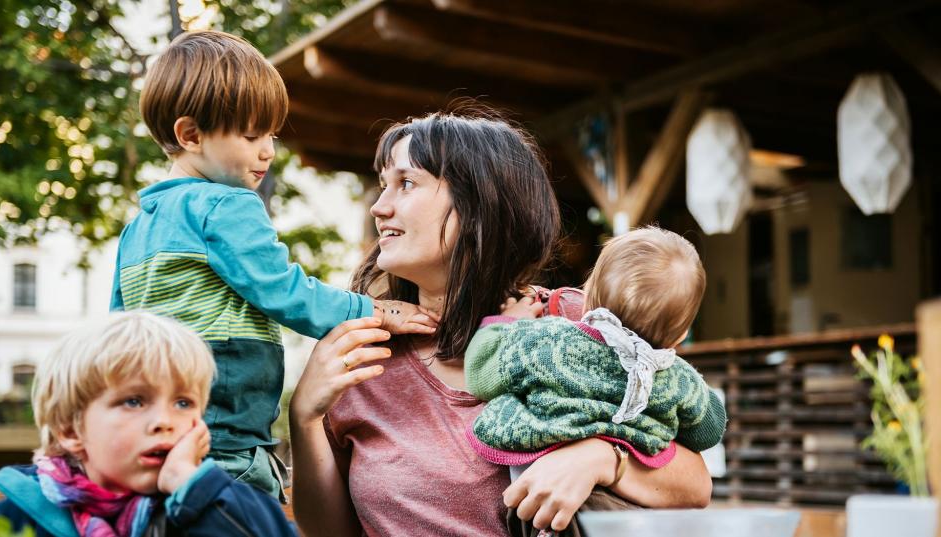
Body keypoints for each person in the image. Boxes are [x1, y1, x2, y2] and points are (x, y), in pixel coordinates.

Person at [289, 111, 714, 537]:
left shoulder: (580, 324)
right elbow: (330, 532)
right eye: (383, 185)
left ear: (479, 203)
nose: (380, 208)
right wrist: (305, 418)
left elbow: (695, 483)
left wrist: (602, 459)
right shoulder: (364, 353)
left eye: (406, 183)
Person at [111, 30, 436, 499]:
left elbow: (116, 332)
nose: (268, 150)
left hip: (157, 430)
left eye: (271, 134)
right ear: (191, 135)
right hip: (223, 436)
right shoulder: (227, 205)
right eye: (251, 135)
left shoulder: (139, 225)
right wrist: (372, 311)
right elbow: (283, 289)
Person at [464, 227, 727, 534]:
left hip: (543, 507)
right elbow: (708, 429)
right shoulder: (676, 378)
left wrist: (507, 322)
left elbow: (481, 370)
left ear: (586, 297)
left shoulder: (546, 342)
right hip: (629, 510)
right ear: (682, 333)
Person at [0, 311, 297, 537]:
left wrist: (192, 484)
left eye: (183, 403)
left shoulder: (199, 504)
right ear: (71, 430)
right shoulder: (21, 515)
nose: (164, 422)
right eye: (134, 401)